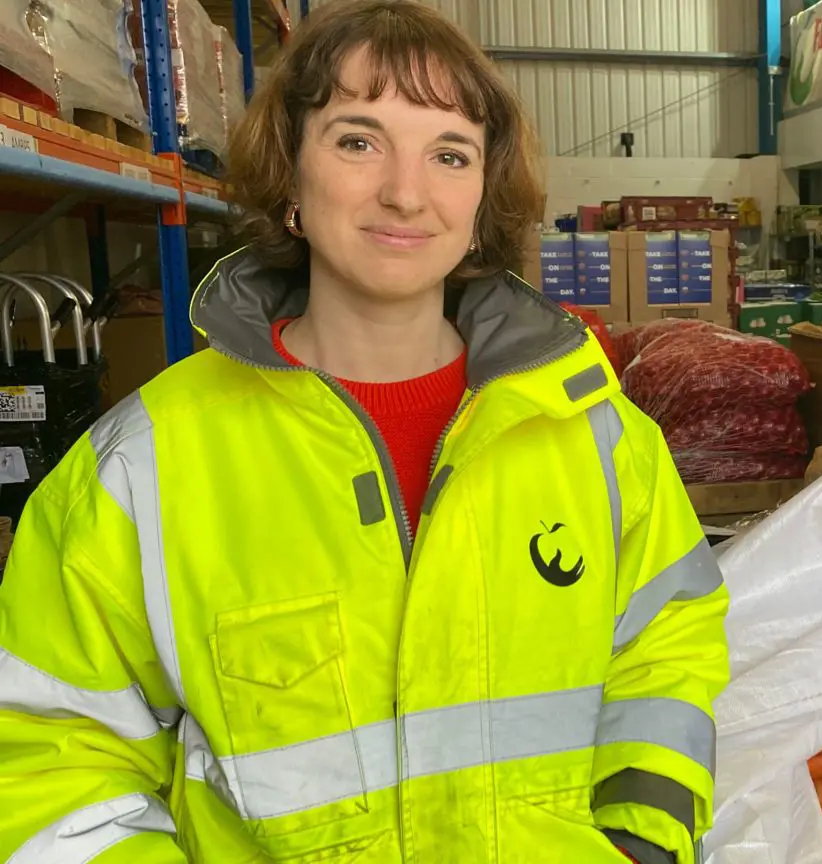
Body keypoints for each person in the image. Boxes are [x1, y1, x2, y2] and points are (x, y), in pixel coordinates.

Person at [0, 2, 728, 862]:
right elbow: (57, 759)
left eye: (449, 154)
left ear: (482, 198)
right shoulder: (141, 469)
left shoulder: (598, 438)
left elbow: (668, 644)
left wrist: (643, 841)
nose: (405, 192)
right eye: (357, 140)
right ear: (291, 179)